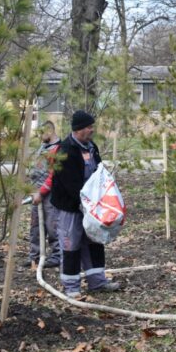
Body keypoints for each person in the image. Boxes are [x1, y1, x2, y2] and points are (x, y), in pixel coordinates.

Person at [50, 111, 120, 298]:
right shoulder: (65, 150)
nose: (92, 129)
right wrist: (87, 204)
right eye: (89, 126)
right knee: (71, 244)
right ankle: (71, 288)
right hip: (71, 207)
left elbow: (98, 174)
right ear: (79, 129)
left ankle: (97, 282)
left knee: (94, 241)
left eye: (92, 126)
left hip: (91, 206)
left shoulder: (91, 147)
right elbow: (70, 184)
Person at [26, 121, 61, 269]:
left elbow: (54, 175)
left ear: (50, 131)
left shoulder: (58, 149)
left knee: (52, 225)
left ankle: (57, 255)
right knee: (35, 225)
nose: (40, 137)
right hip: (36, 192)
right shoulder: (42, 146)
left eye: (42, 133)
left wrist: (41, 192)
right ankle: (34, 256)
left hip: (50, 194)